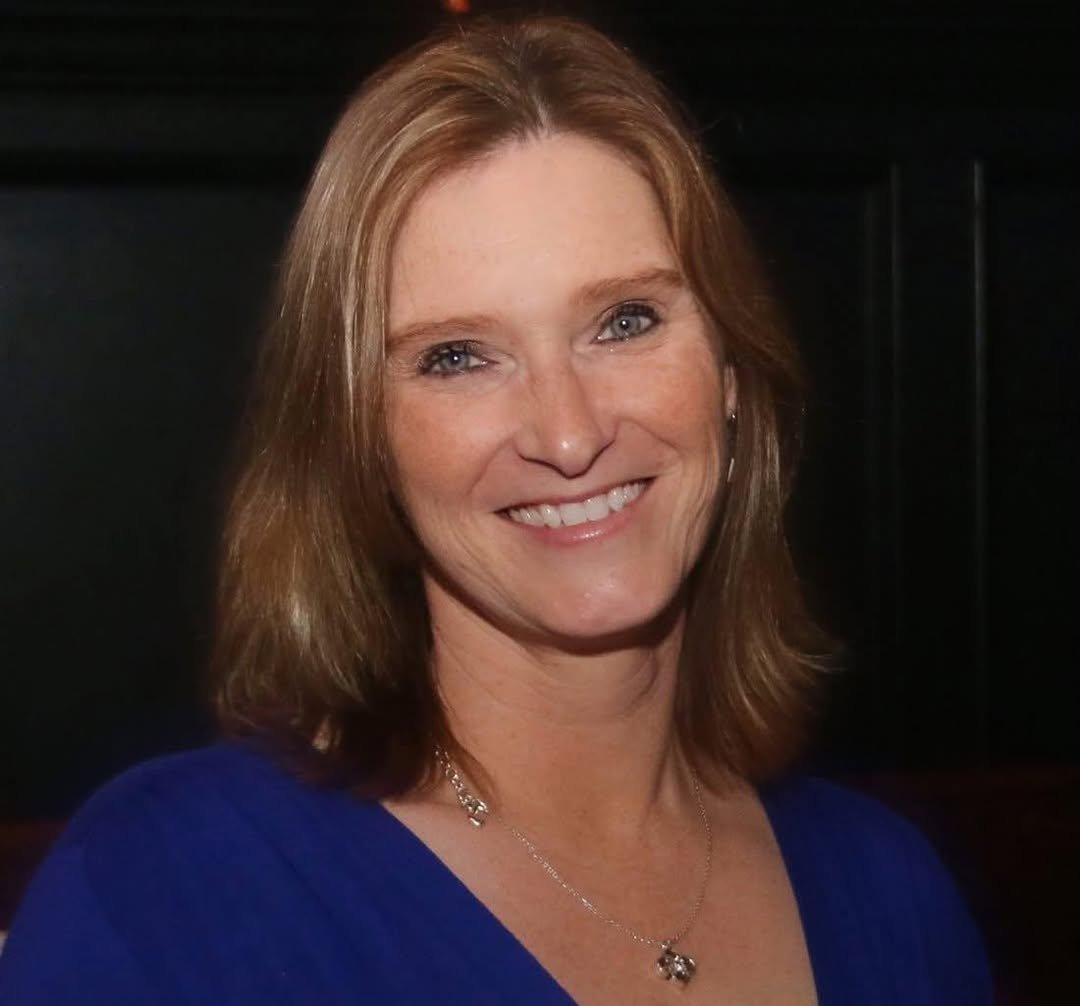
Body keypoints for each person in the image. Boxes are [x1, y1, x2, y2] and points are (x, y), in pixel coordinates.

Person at [0, 15, 991, 1005]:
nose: (568, 433)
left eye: (624, 321)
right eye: (459, 357)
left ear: (730, 375)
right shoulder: (166, 898)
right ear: (362, 440)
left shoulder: (890, 896)